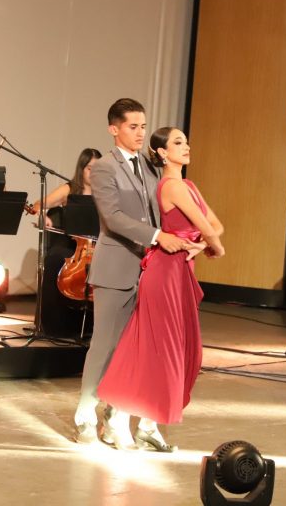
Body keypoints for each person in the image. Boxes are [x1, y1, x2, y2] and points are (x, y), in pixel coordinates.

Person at [96, 127, 224, 452]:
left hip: (181, 270)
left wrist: (200, 245)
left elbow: (216, 225)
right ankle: (117, 415)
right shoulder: (171, 185)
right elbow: (208, 229)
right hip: (164, 272)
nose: (186, 146)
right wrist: (215, 247)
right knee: (153, 348)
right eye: (178, 143)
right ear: (163, 153)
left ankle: (148, 426)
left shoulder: (189, 186)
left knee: (173, 350)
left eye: (186, 141)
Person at [72, 98, 191, 445]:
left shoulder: (150, 167)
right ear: (114, 129)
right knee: (105, 346)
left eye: (143, 126)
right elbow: (113, 218)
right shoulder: (104, 168)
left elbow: (164, 207)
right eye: (132, 126)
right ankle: (84, 416)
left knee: (134, 352)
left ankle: (115, 418)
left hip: (150, 271)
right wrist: (157, 236)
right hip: (116, 268)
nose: (140, 133)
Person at [29, 148, 102, 338]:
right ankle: (53, 325)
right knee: (54, 260)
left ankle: (94, 325)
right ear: (81, 169)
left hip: (98, 244)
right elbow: (38, 205)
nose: (93, 172)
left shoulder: (106, 192)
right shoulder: (69, 189)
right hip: (71, 243)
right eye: (89, 168)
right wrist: (43, 215)